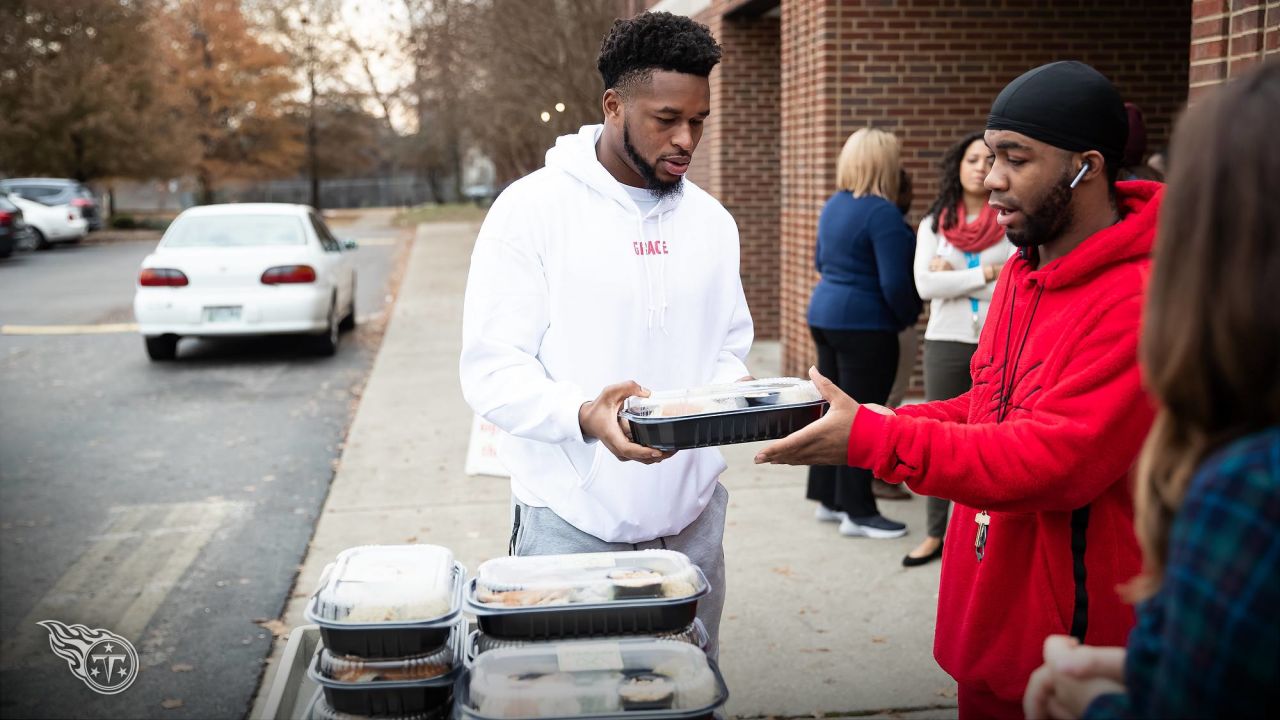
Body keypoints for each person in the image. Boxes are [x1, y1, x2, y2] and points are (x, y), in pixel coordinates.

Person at [756, 61, 1163, 718]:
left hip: (1068, 654)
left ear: (1086, 166)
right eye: (989, 154)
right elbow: (989, 407)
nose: (991, 177)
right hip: (989, 616)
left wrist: (876, 441)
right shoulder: (1020, 275)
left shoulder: (1138, 299)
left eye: (1015, 158)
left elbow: (1050, 461)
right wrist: (883, 418)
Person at [458, 11, 752, 658]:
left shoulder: (713, 223)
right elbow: (492, 369)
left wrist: (739, 401)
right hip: (571, 526)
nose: (686, 139)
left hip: (694, 527)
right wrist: (585, 414)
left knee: (688, 692)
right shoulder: (531, 212)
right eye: (666, 118)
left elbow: (728, 348)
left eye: (698, 121)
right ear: (614, 105)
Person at [1022, 61, 1280, 720]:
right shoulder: (1023, 276)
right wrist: (1149, 663)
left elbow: (1058, 456)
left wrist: (1095, 705)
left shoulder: (1250, 488)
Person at [901, 132, 1014, 568]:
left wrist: (961, 274)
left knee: (988, 436)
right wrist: (986, 270)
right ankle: (935, 533)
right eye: (972, 159)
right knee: (940, 434)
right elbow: (925, 286)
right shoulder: (936, 223)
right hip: (946, 341)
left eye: (989, 160)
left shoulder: (1008, 217)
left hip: (996, 339)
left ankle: (982, 534)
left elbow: (1014, 283)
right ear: (958, 166)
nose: (981, 167)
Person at [804, 127, 920, 539]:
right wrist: (909, 314)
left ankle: (829, 500)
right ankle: (859, 511)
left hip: (825, 314)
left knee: (832, 410)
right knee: (862, 416)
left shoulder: (834, 205)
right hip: (865, 325)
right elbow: (895, 285)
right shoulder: (883, 213)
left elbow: (820, 260)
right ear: (884, 164)